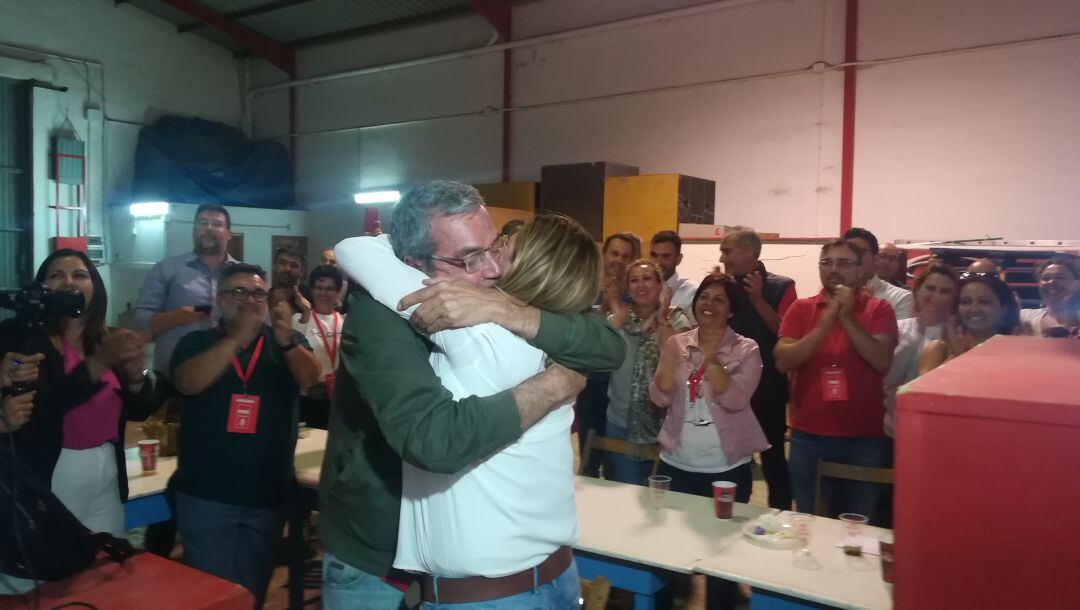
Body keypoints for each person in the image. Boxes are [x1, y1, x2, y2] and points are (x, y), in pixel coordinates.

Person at [319, 181, 624, 610]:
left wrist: (510, 310)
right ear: (411, 264)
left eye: (493, 247)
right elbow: (433, 439)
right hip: (377, 553)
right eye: (467, 259)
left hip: (469, 566)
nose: (492, 270)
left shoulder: (497, 307)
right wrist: (555, 384)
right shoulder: (381, 312)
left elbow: (608, 345)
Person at [1, 250, 156, 594]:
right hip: (52, 468)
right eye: (57, 275)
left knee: (102, 571)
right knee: (44, 576)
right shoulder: (22, 336)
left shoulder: (105, 338)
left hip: (107, 466)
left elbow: (141, 409)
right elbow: (42, 408)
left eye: (80, 274)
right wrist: (99, 363)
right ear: (42, 288)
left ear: (95, 288)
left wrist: (135, 377)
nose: (69, 281)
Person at [169, 264, 321, 607]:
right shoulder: (197, 341)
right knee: (210, 595)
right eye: (238, 292)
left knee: (253, 592)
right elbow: (188, 382)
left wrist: (284, 341)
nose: (249, 300)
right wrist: (236, 338)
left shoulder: (284, 343)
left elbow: (311, 379)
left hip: (266, 495)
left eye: (257, 294)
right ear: (218, 299)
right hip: (206, 495)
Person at [775, 239, 898, 521]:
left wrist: (847, 318)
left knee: (859, 525)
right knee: (810, 519)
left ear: (860, 270)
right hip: (809, 437)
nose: (834, 269)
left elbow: (880, 360)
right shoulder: (801, 309)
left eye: (844, 263)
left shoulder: (879, 309)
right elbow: (783, 361)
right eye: (827, 262)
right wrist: (826, 322)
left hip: (864, 439)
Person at [651, 275, 768, 497]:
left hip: (726, 468)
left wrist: (712, 360)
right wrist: (667, 355)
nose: (708, 304)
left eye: (719, 300)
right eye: (703, 297)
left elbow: (735, 401)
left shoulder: (746, 350)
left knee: (725, 529)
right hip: (676, 462)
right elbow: (660, 398)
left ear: (731, 311)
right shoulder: (677, 342)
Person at [718, 226, 797, 510]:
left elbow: (786, 332)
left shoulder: (782, 286)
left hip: (768, 390)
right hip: (728, 387)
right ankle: (734, 513)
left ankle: (781, 516)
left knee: (773, 460)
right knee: (732, 459)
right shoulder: (723, 286)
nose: (722, 256)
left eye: (727, 250)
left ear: (750, 253)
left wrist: (758, 300)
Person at [604, 259, 691, 485]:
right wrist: (615, 311)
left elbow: (677, 362)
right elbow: (597, 358)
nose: (640, 285)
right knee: (628, 498)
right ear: (628, 287)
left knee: (663, 501)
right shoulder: (618, 319)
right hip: (620, 424)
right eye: (634, 280)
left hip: (665, 427)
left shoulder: (676, 319)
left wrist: (661, 317)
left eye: (647, 279)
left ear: (660, 285)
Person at [883, 264, 959, 439]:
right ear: (917, 291)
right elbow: (888, 379)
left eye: (945, 291)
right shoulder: (898, 327)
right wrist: (920, 331)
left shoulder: (958, 335)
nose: (935, 296)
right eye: (930, 288)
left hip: (936, 432)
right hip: (889, 429)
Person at [919, 272, 1021, 374]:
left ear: (1003, 308)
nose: (974, 309)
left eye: (984, 302)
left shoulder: (1018, 353)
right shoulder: (937, 351)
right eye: (965, 302)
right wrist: (957, 357)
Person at [291, 264, 345, 429]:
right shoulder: (300, 319)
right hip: (309, 397)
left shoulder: (346, 321)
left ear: (337, 292)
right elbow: (294, 352)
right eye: (319, 288)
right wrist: (306, 312)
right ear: (312, 290)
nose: (323, 293)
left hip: (339, 398)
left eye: (329, 289)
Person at [843, 228, 914, 320]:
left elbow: (895, 334)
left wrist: (868, 309)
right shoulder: (832, 292)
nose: (855, 256)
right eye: (850, 251)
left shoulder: (901, 297)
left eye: (862, 251)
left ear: (874, 257)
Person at [1020, 256, 1080, 336]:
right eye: (1046, 278)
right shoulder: (1025, 317)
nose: (1051, 282)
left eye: (1060, 278)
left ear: (1077, 284)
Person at [650, 230, 698, 323]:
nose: (657, 262)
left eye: (665, 256)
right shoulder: (641, 290)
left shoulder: (692, 293)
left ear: (678, 259)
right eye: (654, 255)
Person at [271, 246, 312, 316]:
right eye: (282, 263)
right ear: (274, 266)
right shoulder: (264, 297)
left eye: (294, 265)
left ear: (302, 271)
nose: (287, 269)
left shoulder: (312, 297)